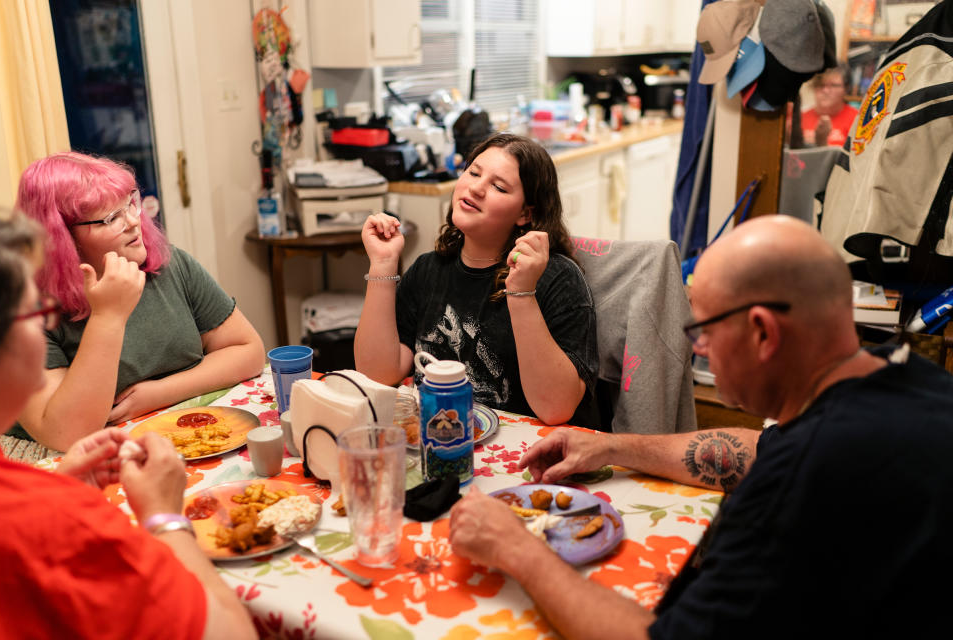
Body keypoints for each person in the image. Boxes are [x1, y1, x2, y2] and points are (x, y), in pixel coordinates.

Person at [449, 215, 953, 638]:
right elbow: (762, 448)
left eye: (703, 328)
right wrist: (610, 447)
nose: (699, 348)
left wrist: (520, 550)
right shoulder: (902, 373)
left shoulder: (799, 485)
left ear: (761, 331)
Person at [0, 210, 256, 639]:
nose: (47, 322)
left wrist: (65, 492)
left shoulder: (173, 266)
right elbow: (229, 632)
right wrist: (165, 518)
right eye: (33, 312)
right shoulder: (44, 520)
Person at [14, 152, 266, 451]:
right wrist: (109, 316)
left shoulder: (172, 265)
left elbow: (248, 352)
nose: (134, 221)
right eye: (111, 218)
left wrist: (157, 393)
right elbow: (66, 435)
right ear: (62, 240)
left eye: (130, 203)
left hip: (177, 436)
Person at [355, 133, 598, 427]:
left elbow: (556, 409)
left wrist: (522, 293)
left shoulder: (557, 278)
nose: (476, 187)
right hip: (438, 438)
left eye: (498, 186)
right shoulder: (428, 269)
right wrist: (382, 264)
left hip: (524, 454)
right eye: (473, 172)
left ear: (525, 214)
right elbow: (378, 373)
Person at [800, 64, 857, 147]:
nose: (825, 90)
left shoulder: (857, 120)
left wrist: (822, 142)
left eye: (833, 85)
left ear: (846, 88)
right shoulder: (801, 118)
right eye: (821, 85)